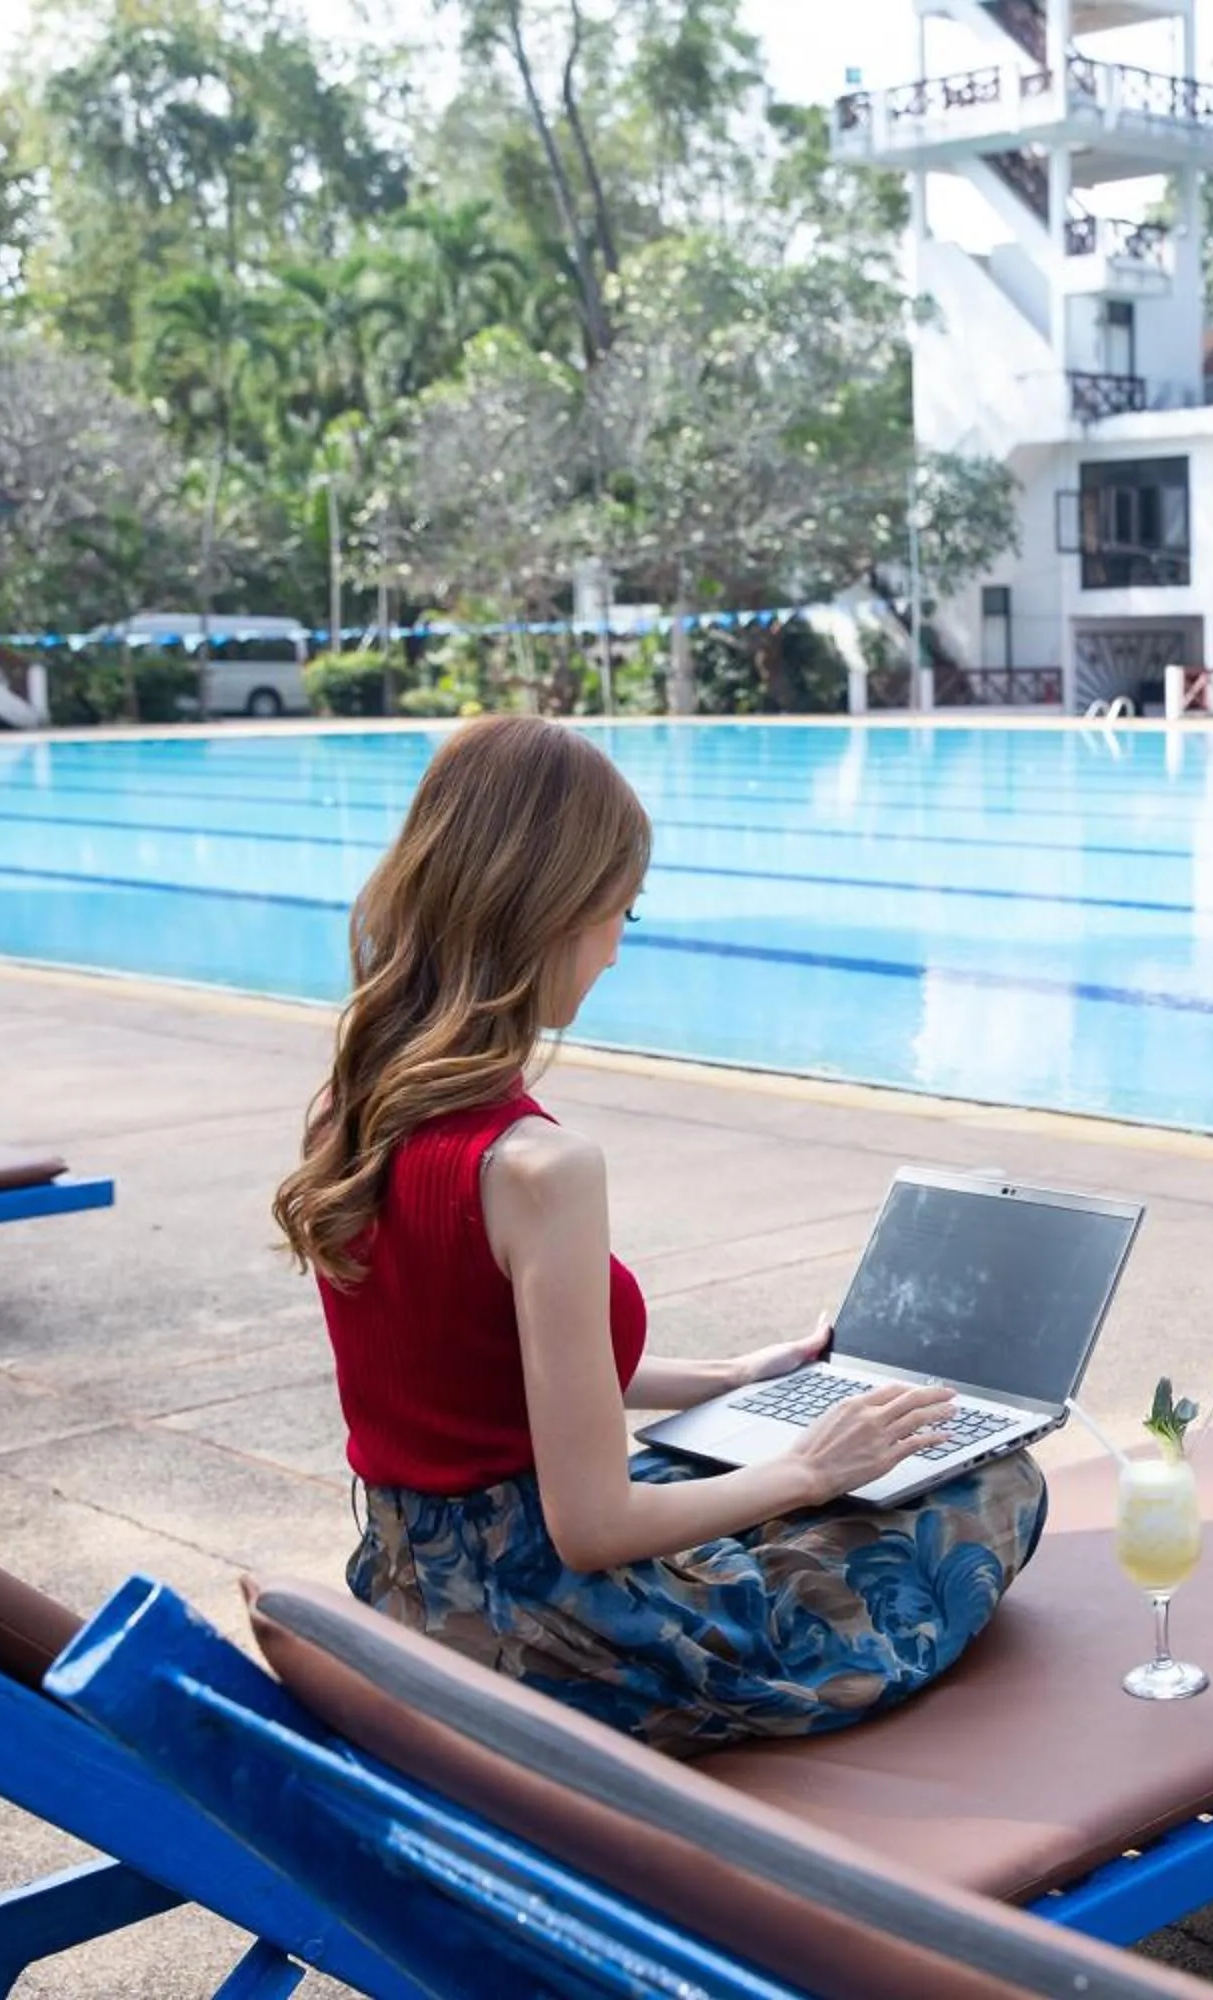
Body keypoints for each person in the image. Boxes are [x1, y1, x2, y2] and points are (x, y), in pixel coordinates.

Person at [270, 715, 1045, 1754]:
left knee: (798, 1469)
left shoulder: (355, 1109)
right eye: (619, 912)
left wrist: (731, 1374)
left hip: (415, 1588)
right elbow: (594, 1526)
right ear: (549, 914)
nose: (619, 947)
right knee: (989, 1483)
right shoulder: (538, 1166)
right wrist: (813, 1466)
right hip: (565, 1639)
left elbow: (478, 1366)